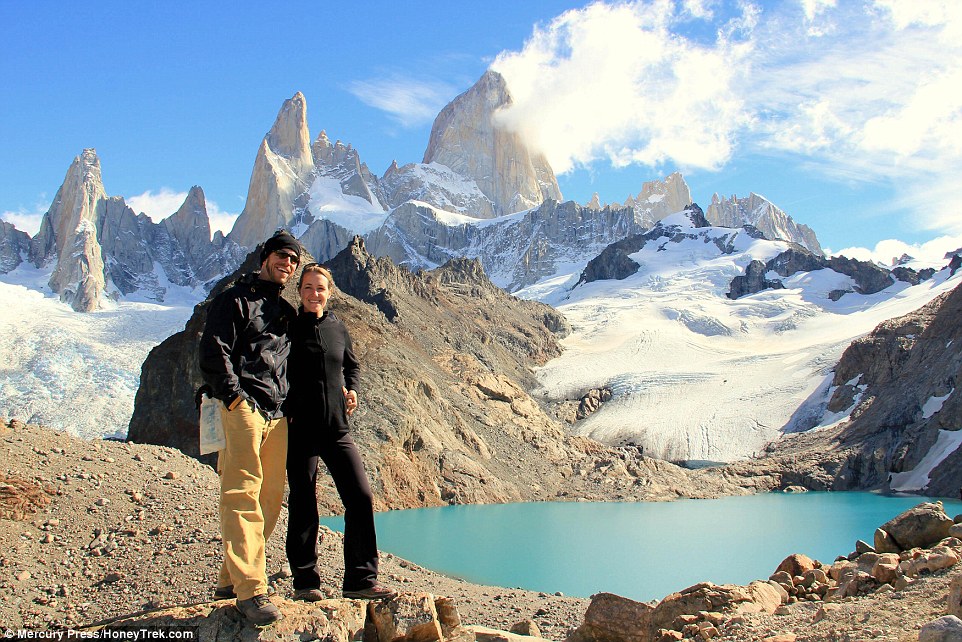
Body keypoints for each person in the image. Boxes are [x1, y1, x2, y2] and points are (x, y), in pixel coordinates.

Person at [198, 230, 301, 625]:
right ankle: (251, 590)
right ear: (264, 257)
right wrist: (234, 397)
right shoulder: (233, 300)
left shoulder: (286, 313)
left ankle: (229, 578)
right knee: (241, 491)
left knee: (270, 498)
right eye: (281, 256)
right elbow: (214, 350)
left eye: (293, 260)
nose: (287, 264)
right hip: (243, 407)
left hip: (276, 415)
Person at [285, 263, 396, 601]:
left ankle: (360, 580)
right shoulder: (287, 328)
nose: (313, 293)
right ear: (299, 291)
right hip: (300, 429)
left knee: (360, 498)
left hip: (336, 427)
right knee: (303, 503)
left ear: (329, 292)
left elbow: (351, 365)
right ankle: (305, 582)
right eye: (307, 287)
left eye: (319, 288)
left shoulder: (338, 327)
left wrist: (353, 389)